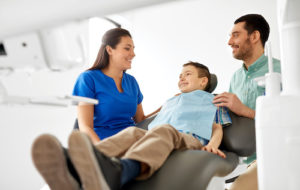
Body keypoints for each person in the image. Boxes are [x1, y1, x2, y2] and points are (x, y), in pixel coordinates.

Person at [32, 61, 232, 190]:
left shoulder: (213, 100)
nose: (181, 78)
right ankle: (77, 165)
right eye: (180, 75)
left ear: (203, 81)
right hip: (165, 136)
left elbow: (217, 127)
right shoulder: (173, 100)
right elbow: (152, 118)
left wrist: (213, 145)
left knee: (164, 130)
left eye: (187, 74)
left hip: (191, 139)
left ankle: (121, 170)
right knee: (132, 132)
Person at [213, 14, 281, 190]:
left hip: (274, 156)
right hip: (241, 163)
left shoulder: (282, 70)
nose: (229, 42)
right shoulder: (236, 78)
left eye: (235, 34)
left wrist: (245, 110)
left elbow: (290, 120)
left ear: (254, 36)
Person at [72, 28, 157, 143]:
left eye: (133, 49)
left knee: (167, 134)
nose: (133, 54)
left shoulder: (132, 82)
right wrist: (102, 152)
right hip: (104, 144)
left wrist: (168, 106)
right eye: (127, 48)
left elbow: (141, 120)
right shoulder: (88, 79)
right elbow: (85, 127)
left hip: (132, 140)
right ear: (109, 50)